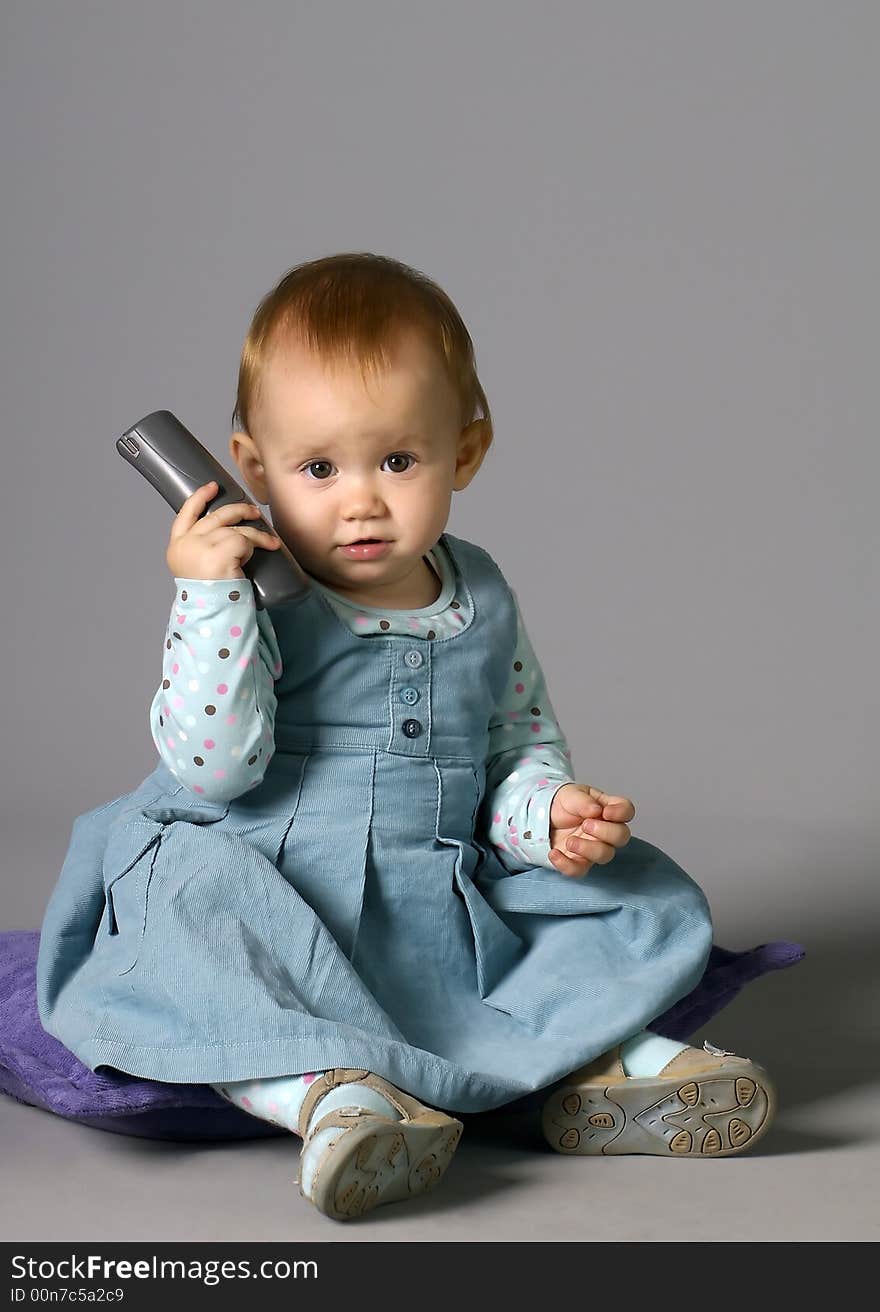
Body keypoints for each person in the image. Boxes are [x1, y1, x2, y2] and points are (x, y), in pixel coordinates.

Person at [36, 252, 776, 1222]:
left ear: (463, 453)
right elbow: (214, 767)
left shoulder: (481, 589)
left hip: (434, 898)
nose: (360, 500)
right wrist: (210, 592)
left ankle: (609, 1071)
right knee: (188, 920)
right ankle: (333, 1101)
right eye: (316, 468)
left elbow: (512, 744)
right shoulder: (250, 593)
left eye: (396, 460)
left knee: (634, 890)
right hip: (271, 880)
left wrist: (545, 814)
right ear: (249, 468)